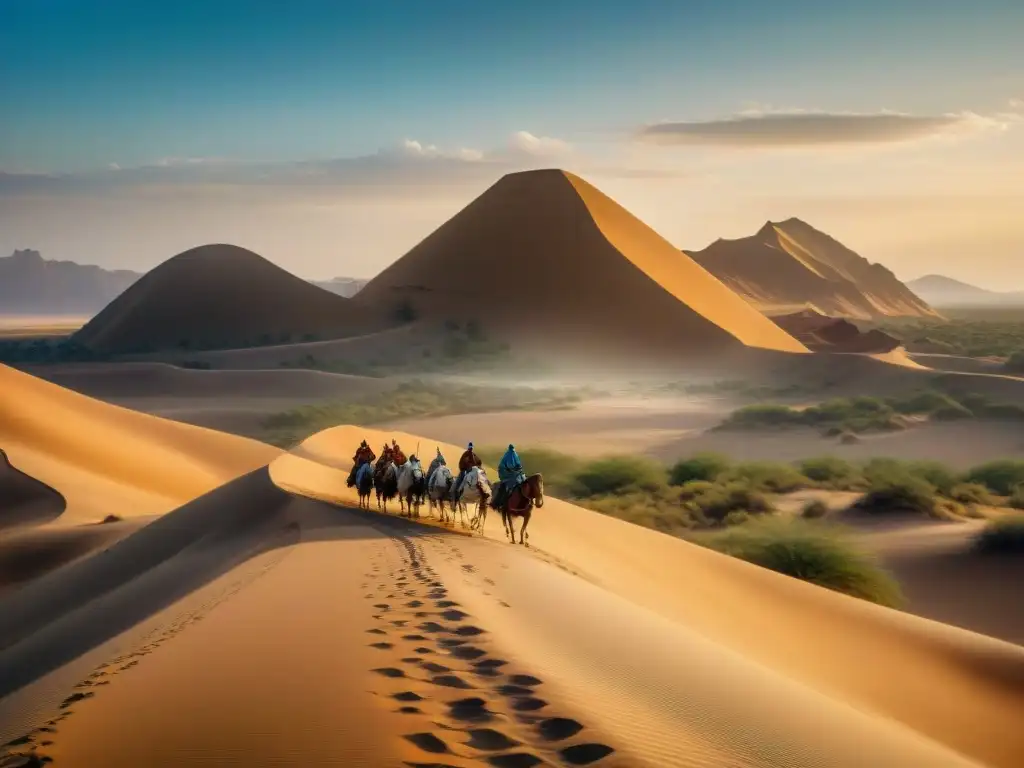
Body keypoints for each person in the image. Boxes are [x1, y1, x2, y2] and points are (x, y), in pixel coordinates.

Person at [493, 443, 525, 510]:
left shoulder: (513, 454)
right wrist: (511, 470)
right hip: (505, 474)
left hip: (514, 473)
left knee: (523, 480)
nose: (513, 451)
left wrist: (518, 468)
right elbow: (505, 466)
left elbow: (518, 464)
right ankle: (501, 502)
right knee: (506, 486)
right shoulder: (507, 455)